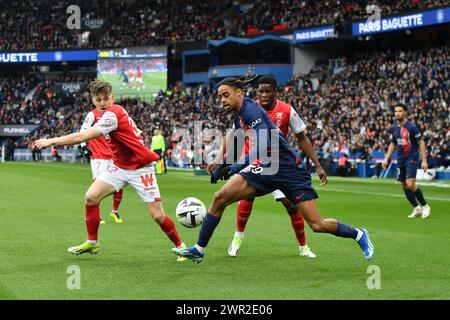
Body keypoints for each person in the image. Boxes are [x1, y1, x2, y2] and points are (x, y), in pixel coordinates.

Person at [173, 76, 374, 263]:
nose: (222, 100)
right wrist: (222, 164)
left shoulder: (252, 111)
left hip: (289, 170)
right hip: (266, 167)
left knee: (317, 224)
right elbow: (240, 141)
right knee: (220, 197)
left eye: (226, 95)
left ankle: (359, 234)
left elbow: (262, 145)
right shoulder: (239, 114)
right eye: (219, 97)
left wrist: (234, 167)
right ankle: (199, 250)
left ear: (239, 93)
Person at [35, 80, 187, 259]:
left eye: (106, 99)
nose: (102, 103)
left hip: (140, 167)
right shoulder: (112, 112)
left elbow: (83, 136)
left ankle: (181, 247)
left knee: (157, 215)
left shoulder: (112, 115)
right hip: (121, 166)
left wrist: (51, 140)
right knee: (91, 197)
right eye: (98, 100)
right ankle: (92, 242)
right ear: (93, 101)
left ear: (112, 98)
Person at [207, 76, 322, 258]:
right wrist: (221, 159)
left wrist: (317, 165)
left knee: (291, 206)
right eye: (261, 91)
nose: (264, 95)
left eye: (268, 91)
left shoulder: (286, 110)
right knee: (245, 199)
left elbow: (302, 137)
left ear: (276, 91)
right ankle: (237, 238)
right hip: (251, 160)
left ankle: (303, 246)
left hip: (278, 164)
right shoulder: (248, 108)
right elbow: (233, 134)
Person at [382, 103, 431, 219]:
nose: (397, 113)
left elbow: (421, 142)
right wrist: (386, 158)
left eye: (400, 111)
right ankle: (416, 208)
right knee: (404, 184)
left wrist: (424, 160)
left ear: (405, 113)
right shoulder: (394, 128)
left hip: (412, 158)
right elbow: (393, 143)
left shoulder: (411, 127)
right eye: (396, 111)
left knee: (410, 184)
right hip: (400, 160)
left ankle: (425, 206)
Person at [79, 104, 126, 224]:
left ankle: (114, 211)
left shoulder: (113, 115)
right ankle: (97, 216)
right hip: (98, 156)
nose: (102, 102)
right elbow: (83, 130)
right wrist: (84, 147)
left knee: (119, 185)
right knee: (97, 187)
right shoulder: (92, 114)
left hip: (114, 156)